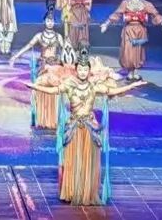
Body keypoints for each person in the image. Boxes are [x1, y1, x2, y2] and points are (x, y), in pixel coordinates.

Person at [22, 48, 147, 205]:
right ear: (76, 70)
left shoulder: (94, 86)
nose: (82, 72)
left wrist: (132, 85)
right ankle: (72, 191)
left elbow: (112, 91)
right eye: (80, 69)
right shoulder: (70, 85)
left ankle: (87, 192)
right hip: (74, 128)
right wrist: (34, 86)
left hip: (89, 128)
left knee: (88, 162)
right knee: (74, 161)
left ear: (89, 71)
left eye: (85, 70)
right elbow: (53, 90)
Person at [100, 0, 162, 80]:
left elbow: (155, 14)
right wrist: (106, 24)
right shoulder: (125, 3)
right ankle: (130, 71)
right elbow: (117, 14)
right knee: (128, 51)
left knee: (138, 51)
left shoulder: (145, 4)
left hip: (140, 30)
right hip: (129, 30)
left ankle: (136, 71)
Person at [10, 3, 65, 129]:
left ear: (54, 22)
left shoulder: (58, 37)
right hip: (43, 66)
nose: (50, 23)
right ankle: (43, 119)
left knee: (56, 91)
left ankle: (54, 119)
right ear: (44, 21)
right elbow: (28, 46)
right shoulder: (39, 36)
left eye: (52, 21)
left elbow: (66, 51)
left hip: (56, 67)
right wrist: (15, 56)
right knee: (41, 90)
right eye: (48, 20)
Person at [48, 0, 117, 50]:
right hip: (74, 11)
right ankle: (73, 47)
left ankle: (83, 47)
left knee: (83, 28)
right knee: (73, 27)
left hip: (82, 12)